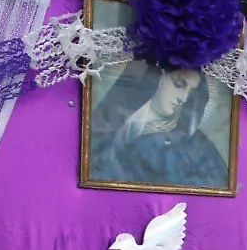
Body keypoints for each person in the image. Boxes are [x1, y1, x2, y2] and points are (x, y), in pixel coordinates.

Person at [90, 62, 228, 188]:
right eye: (179, 84)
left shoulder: (196, 143)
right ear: (156, 77)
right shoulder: (108, 128)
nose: (183, 98)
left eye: (191, 92)